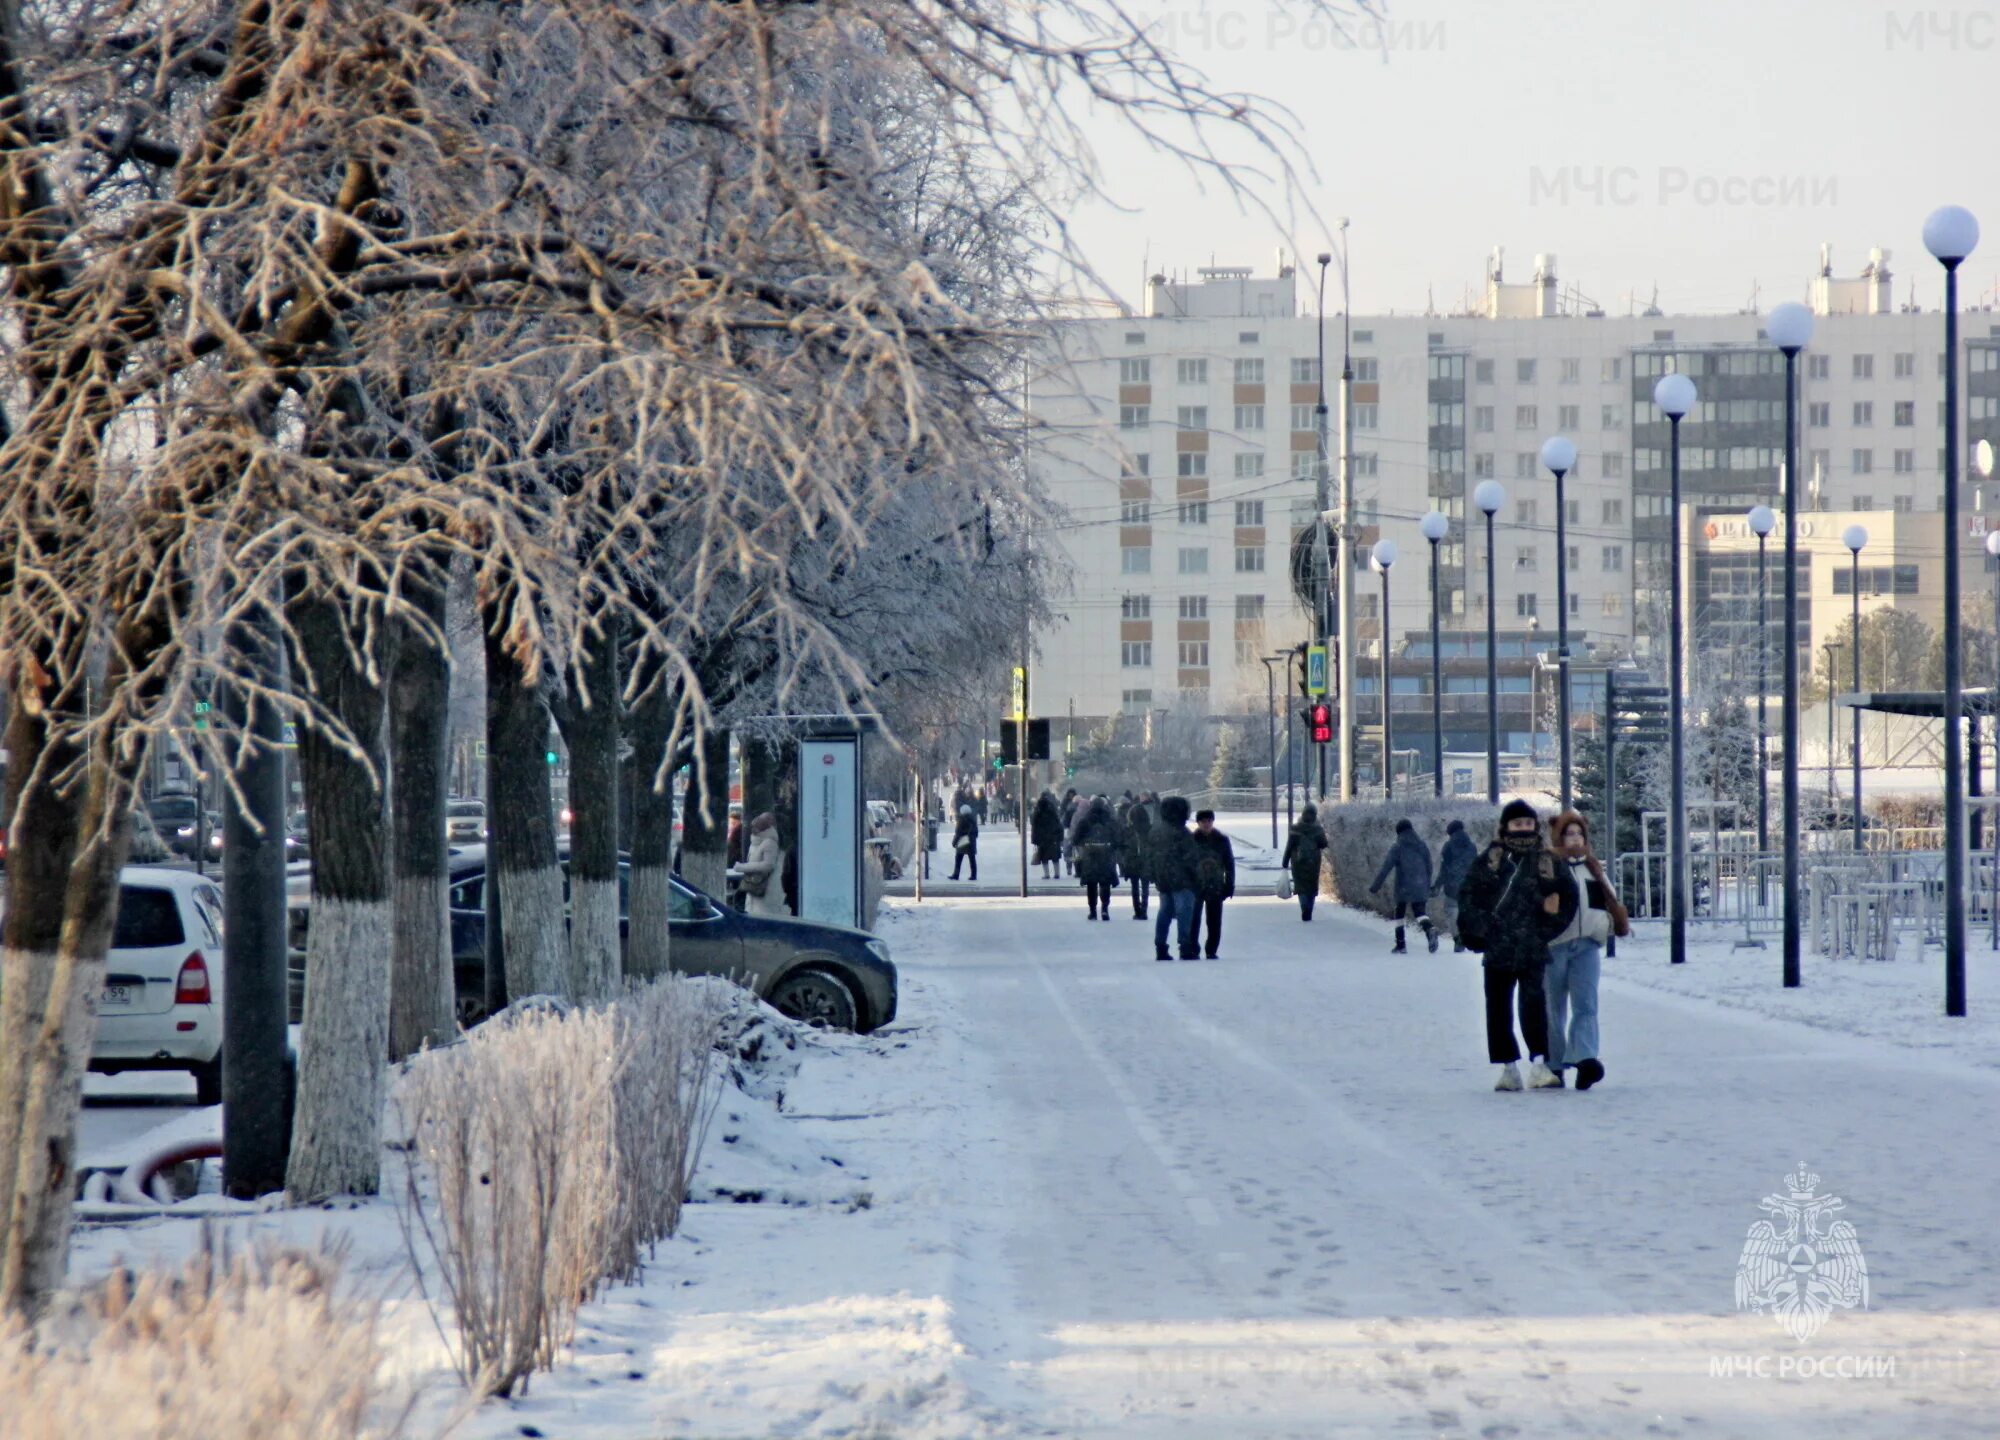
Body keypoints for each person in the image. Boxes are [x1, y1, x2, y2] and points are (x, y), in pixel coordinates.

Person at [1457, 799, 1576, 1092]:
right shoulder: (1491, 860)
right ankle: (1508, 1068)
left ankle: (1539, 1064)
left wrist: (1546, 930)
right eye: (1517, 824)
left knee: (1533, 1007)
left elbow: (1569, 897)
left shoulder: (1547, 861)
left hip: (1532, 947)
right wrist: (1483, 931)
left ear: (1535, 825)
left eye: (1527, 823)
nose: (1523, 828)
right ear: (1505, 827)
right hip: (1497, 948)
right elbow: (1468, 895)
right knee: (1498, 1009)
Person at [1545, 810, 1629, 1091]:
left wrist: (1604, 923)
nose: (1575, 839)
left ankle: (1585, 1060)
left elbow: (1609, 899)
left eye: (1579, 833)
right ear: (1559, 836)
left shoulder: (1592, 868)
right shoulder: (1547, 867)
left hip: (1587, 946)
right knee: (1552, 1008)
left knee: (1587, 1005)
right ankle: (1553, 1066)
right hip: (1554, 947)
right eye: (1569, 834)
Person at [1369, 818, 1436, 954]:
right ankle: (1429, 928)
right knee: (1420, 913)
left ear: (1399, 832)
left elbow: (1386, 868)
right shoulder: (1422, 845)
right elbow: (1429, 866)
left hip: (1403, 886)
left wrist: (1375, 886)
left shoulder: (1397, 847)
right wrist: (1427, 883)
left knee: (1399, 914)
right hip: (1420, 883)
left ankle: (1401, 945)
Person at [1149, 795, 1200, 961]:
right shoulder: (1183, 833)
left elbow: (1150, 855)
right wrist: (1196, 877)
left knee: (1164, 912)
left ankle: (1160, 946)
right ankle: (1185, 946)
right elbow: (1191, 858)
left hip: (1163, 879)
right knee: (1184, 913)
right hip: (1183, 879)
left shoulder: (1156, 831)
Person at [1190, 809, 1236, 959]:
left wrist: (1229, 885)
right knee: (1193, 920)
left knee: (1214, 921)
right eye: (1203, 821)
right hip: (1196, 885)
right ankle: (1192, 948)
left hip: (1216, 885)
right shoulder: (1192, 840)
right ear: (1198, 823)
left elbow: (1229, 864)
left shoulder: (1222, 840)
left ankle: (1211, 949)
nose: (1206, 824)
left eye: (1209, 821)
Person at [1072, 795, 1122, 921]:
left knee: (1091, 884)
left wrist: (1085, 845)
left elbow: (1076, 839)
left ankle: (1092, 911)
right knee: (1105, 884)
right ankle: (1104, 909)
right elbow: (1118, 838)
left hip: (1090, 856)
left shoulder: (1085, 820)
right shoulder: (1110, 820)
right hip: (1106, 856)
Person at [1432, 818, 1477, 952]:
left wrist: (1437, 885)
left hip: (1452, 885)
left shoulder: (1448, 846)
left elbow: (1444, 869)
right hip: (1469, 885)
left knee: (1451, 911)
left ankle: (1458, 939)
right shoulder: (1472, 846)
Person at [735, 812, 789, 919]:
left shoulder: (770, 842)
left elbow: (768, 865)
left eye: (757, 826)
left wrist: (742, 867)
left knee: (763, 918)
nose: (753, 829)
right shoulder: (756, 842)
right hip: (755, 887)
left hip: (765, 890)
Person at [1281, 804, 1329, 920]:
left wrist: (1285, 862)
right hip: (1313, 862)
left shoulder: (1295, 828)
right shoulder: (1318, 829)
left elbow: (1289, 846)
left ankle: (1304, 907)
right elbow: (1324, 844)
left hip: (1298, 862)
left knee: (1300, 886)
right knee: (1311, 886)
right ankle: (1309, 909)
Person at [1121, 799, 1153, 919]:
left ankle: (1137, 910)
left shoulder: (1128, 830)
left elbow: (1123, 845)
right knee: (1145, 887)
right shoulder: (1149, 829)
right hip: (1145, 860)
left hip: (1132, 861)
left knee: (1134, 887)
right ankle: (1144, 909)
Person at [1031, 790, 1064, 879]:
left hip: (1042, 839)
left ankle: (1047, 874)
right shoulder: (1053, 812)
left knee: (1044, 858)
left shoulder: (1037, 813)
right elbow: (1059, 825)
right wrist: (1060, 838)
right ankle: (1057, 873)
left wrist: (1034, 840)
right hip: (1053, 838)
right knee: (1055, 857)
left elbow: (1034, 827)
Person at [950, 803, 979, 881]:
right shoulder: (973, 820)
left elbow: (958, 833)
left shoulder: (961, 820)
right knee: (972, 859)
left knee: (958, 859)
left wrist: (954, 842)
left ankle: (956, 874)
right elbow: (976, 833)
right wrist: (972, 838)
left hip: (962, 842)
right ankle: (973, 875)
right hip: (971, 842)